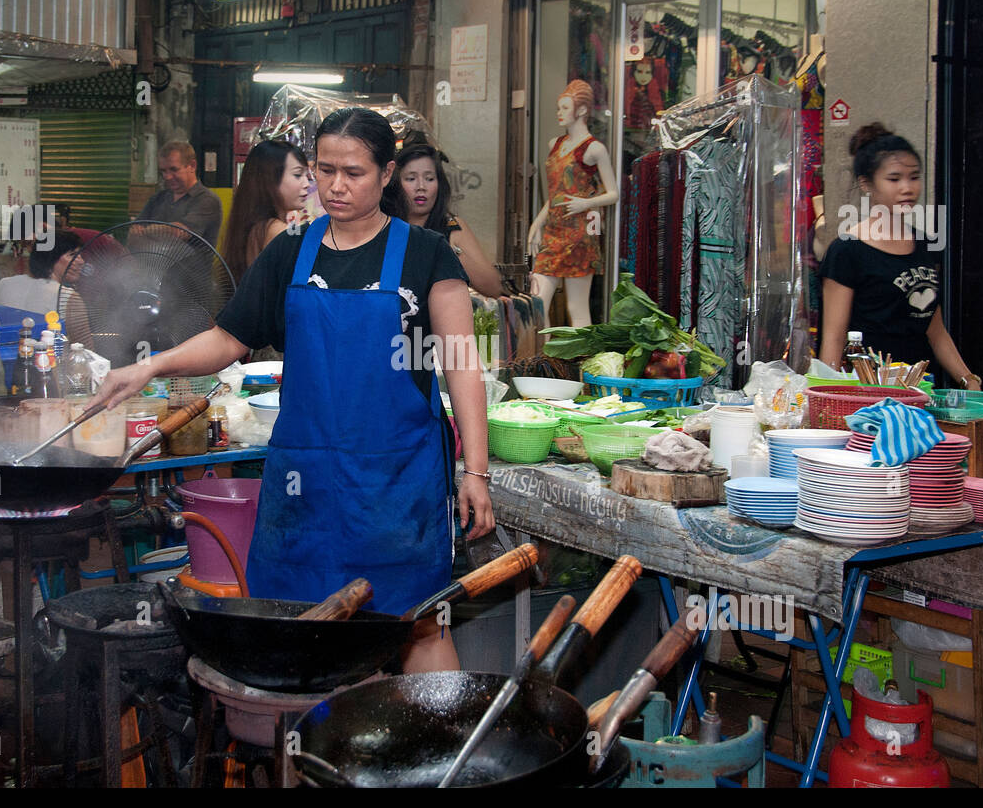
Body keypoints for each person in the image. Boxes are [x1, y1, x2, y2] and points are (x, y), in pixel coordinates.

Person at [94, 108, 494, 672]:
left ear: (386, 175)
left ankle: (437, 755)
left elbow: (461, 365)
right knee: (301, 625)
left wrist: (474, 472)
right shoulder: (291, 252)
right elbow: (228, 339)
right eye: (323, 169)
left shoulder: (427, 254)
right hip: (306, 485)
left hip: (396, 486)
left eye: (353, 172)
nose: (335, 185)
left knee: (419, 624)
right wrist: (147, 368)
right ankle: (319, 747)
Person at [818, 123, 980, 389]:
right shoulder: (847, 250)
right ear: (866, 184)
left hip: (919, 389)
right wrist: (828, 399)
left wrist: (968, 379)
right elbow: (834, 339)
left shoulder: (927, 244)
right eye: (894, 179)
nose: (907, 188)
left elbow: (934, 329)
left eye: (914, 177)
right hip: (866, 391)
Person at [527, 79, 619, 328]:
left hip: (580, 235)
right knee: (537, 303)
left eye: (564, 108)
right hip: (553, 233)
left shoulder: (594, 149)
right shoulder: (554, 145)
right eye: (559, 108)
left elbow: (613, 193)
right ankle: (544, 362)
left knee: (576, 307)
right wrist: (537, 224)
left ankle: (581, 363)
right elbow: (555, 194)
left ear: (581, 111)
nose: (559, 113)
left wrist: (585, 203)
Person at [382, 144, 504, 298]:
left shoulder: (452, 227)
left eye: (429, 178)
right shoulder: (383, 225)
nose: (421, 187)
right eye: (411, 178)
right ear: (395, 183)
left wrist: (450, 251)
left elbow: (493, 287)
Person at [223, 139, 310, 284]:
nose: (306, 183)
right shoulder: (276, 230)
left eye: (306, 175)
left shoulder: (256, 225)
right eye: (297, 175)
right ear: (270, 179)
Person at [136, 141, 223, 245]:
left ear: (192, 166)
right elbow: (134, 231)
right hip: (151, 261)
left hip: (191, 262)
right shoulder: (157, 199)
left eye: (174, 169)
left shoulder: (207, 201)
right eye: (163, 171)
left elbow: (179, 232)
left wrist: (146, 231)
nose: (167, 177)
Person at [0, 230, 82, 316]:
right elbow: (82, 336)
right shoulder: (68, 298)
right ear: (51, 258)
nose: (81, 261)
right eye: (73, 255)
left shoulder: (3, 285)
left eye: (80, 255)